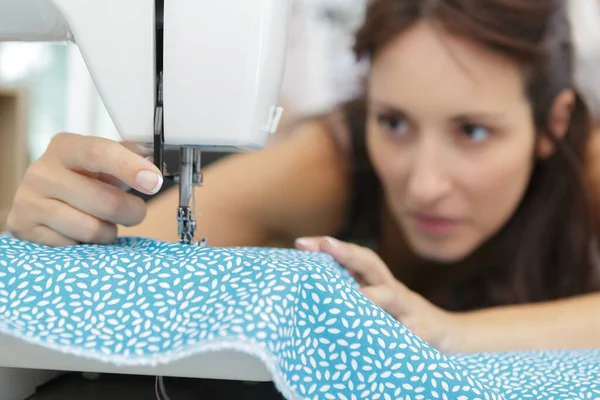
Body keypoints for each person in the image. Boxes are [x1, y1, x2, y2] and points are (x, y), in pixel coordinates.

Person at [7, 0, 600, 355]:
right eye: (393, 122)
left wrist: (447, 332)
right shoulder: (332, 159)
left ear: (554, 123)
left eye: (472, 132)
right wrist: (57, 245)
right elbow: (139, 263)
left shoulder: (588, 167)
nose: (422, 184)